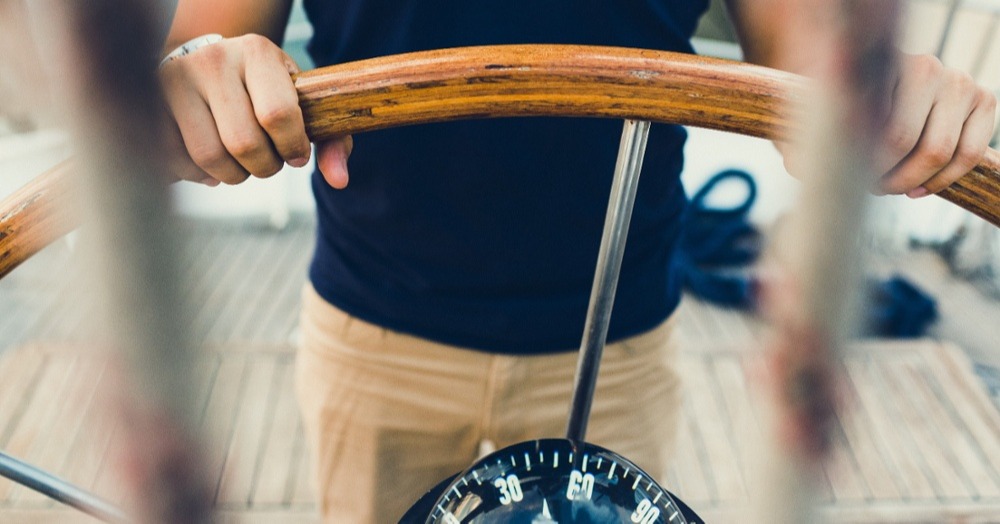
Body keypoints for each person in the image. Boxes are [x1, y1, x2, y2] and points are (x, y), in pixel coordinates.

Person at [158, 1, 996, 522]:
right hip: (372, 336)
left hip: (621, 350)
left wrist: (887, 94)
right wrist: (201, 82)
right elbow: (215, 41)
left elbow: (812, 65)